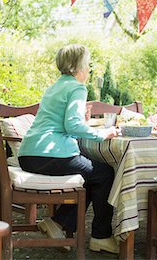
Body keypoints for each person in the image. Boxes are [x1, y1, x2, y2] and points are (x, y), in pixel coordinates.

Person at [18, 44, 119, 254]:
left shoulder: (55, 86)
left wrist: (81, 120)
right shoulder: (77, 87)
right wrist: (102, 134)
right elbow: (71, 126)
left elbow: (62, 125)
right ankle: (100, 236)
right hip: (48, 154)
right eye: (87, 64)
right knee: (105, 173)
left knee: (94, 175)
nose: (89, 68)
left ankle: (59, 223)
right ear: (76, 66)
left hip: (29, 154)